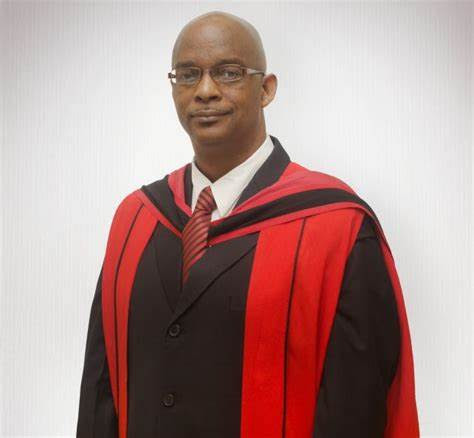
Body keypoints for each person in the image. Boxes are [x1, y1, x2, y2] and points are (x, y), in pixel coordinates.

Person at [76, 10, 419, 438]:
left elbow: (358, 406)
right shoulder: (136, 219)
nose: (205, 91)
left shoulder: (336, 225)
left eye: (228, 73)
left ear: (266, 89)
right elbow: (100, 391)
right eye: (188, 75)